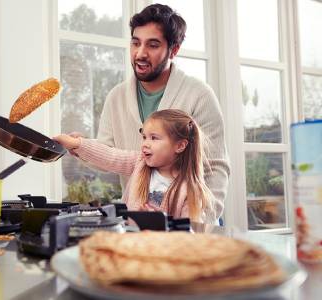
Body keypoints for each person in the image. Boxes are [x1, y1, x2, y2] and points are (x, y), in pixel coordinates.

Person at [79, 4, 229, 214]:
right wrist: (80, 147)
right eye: (135, 43)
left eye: (153, 45)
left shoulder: (200, 95)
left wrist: (200, 222)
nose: (140, 53)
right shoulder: (116, 96)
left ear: (173, 50)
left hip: (190, 222)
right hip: (139, 221)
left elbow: (215, 167)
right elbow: (109, 157)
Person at [54, 109, 220, 224]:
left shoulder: (191, 192)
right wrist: (76, 144)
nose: (145, 144)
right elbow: (110, 156)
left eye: (154, 138)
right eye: (144, 137)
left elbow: (189, 235)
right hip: (129, 245)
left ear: (180, 146)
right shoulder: (139, 164)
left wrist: (159, 223)